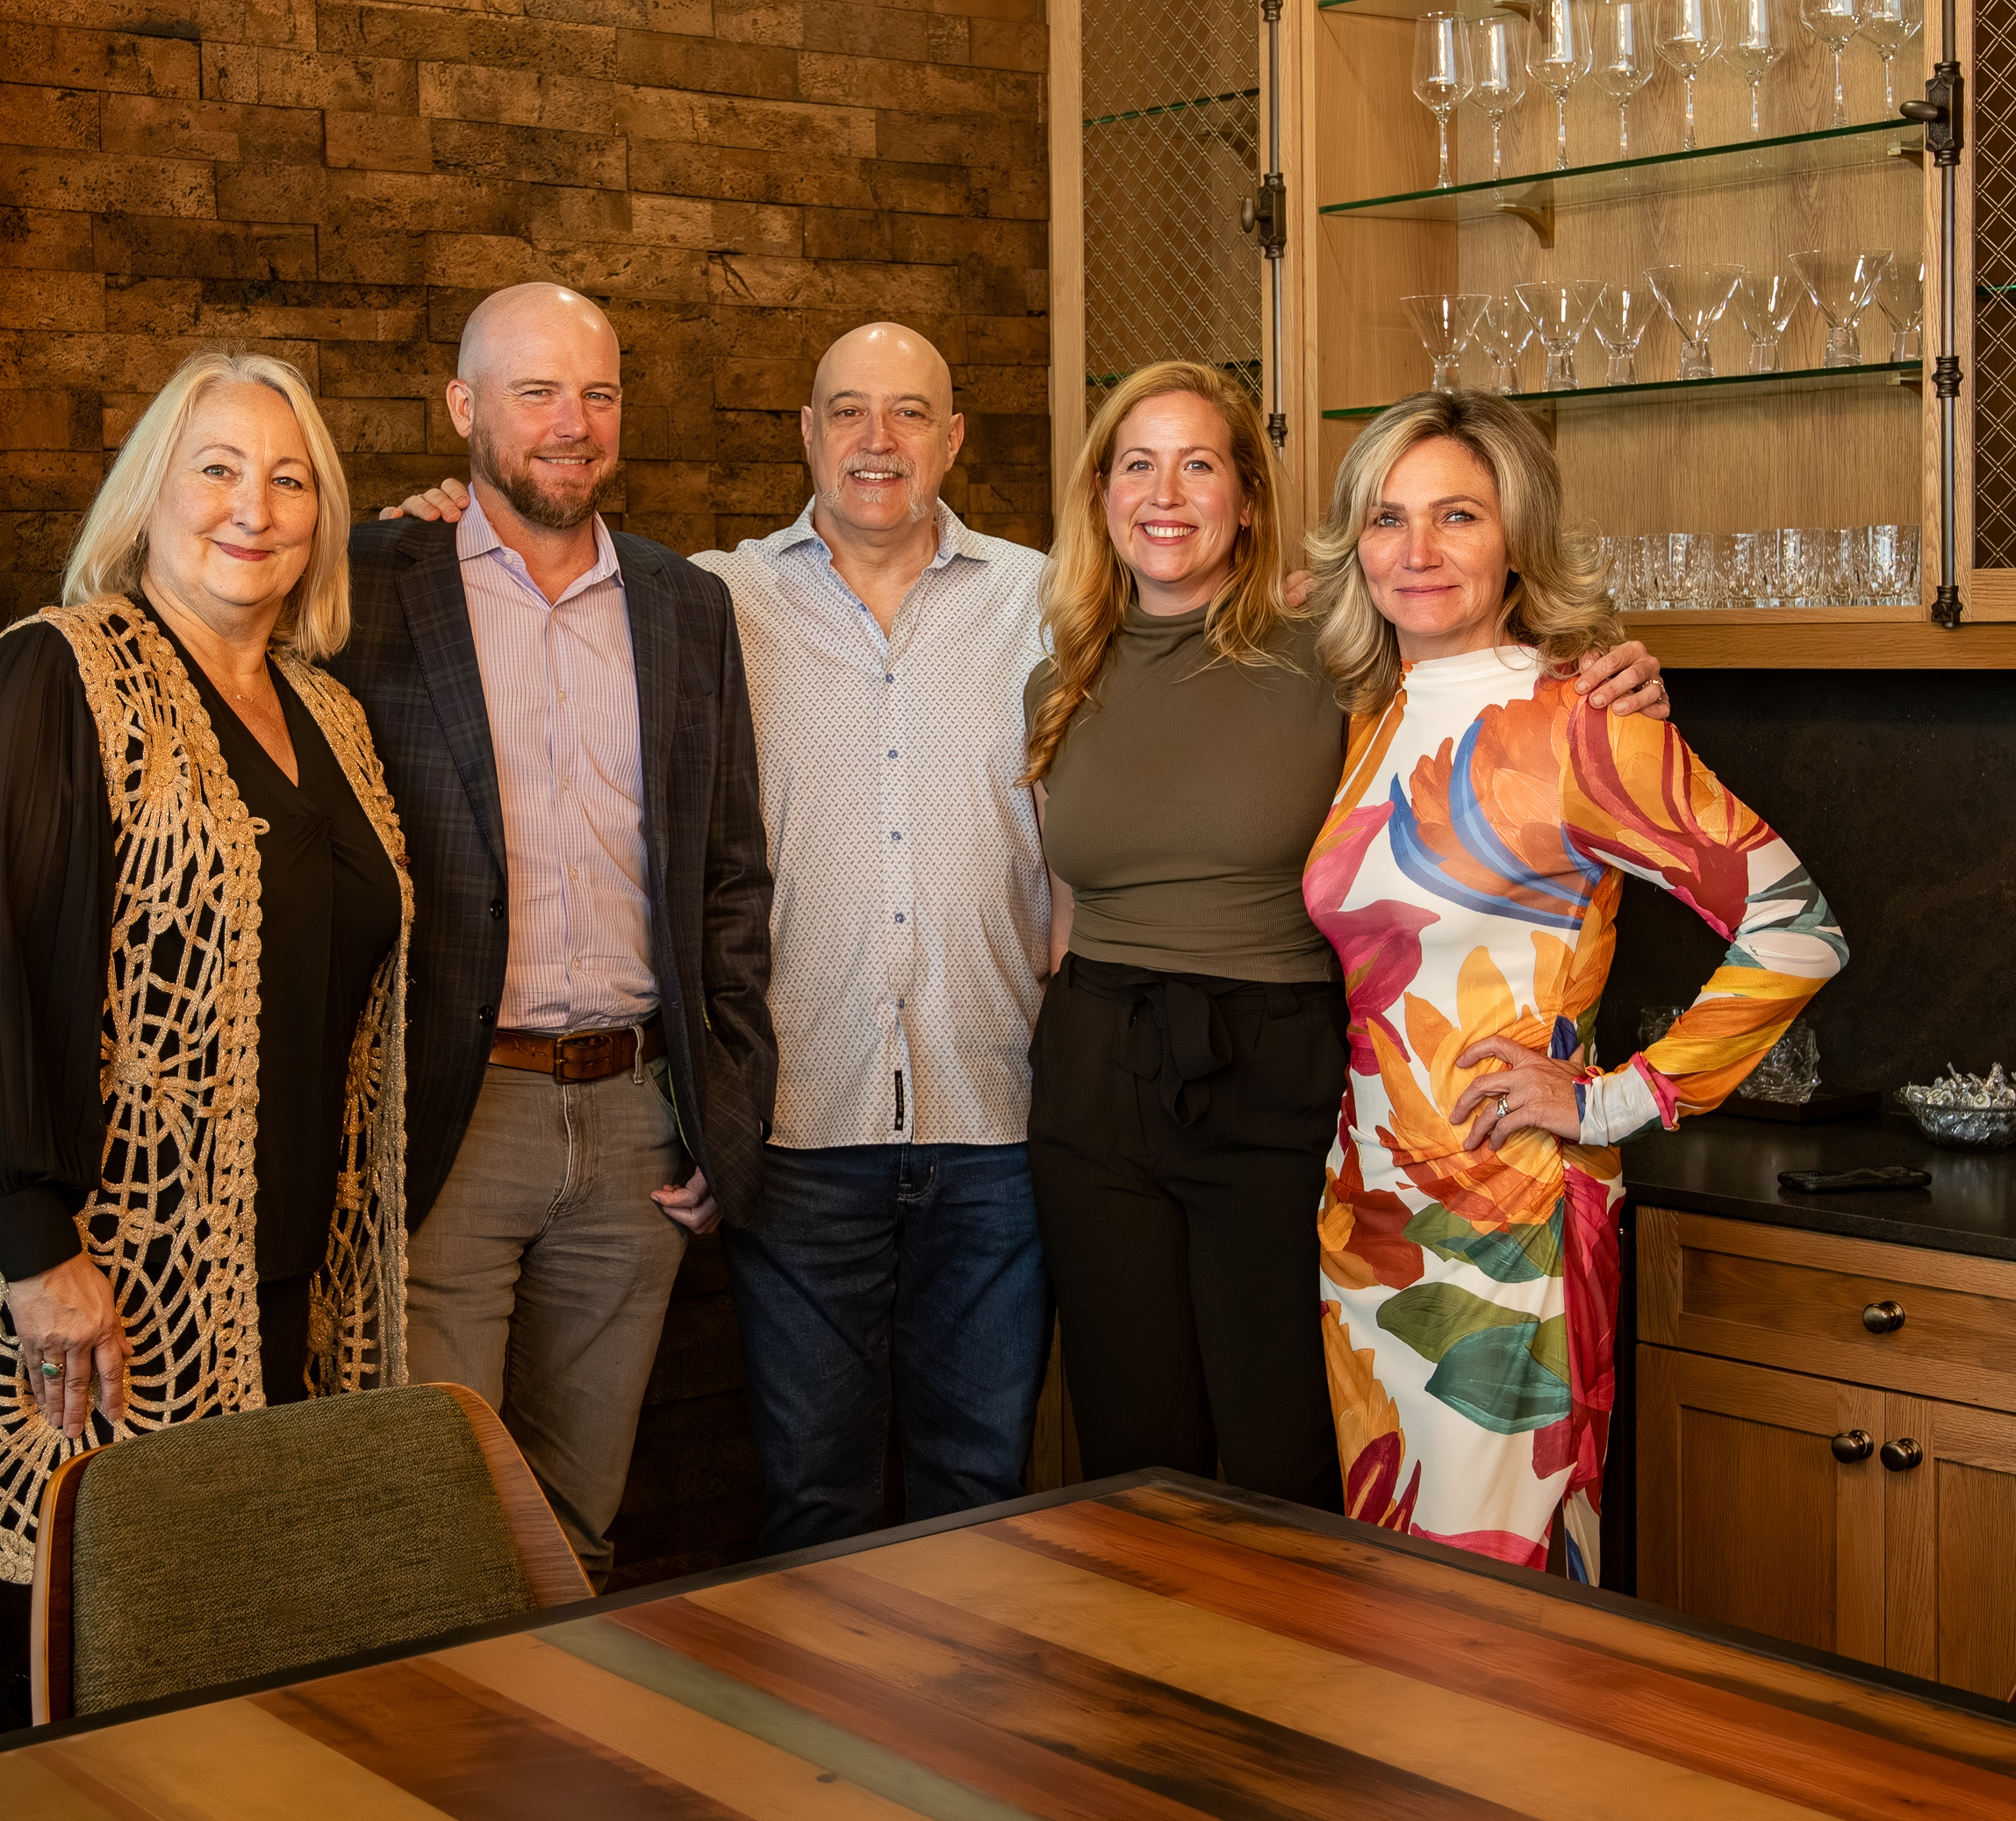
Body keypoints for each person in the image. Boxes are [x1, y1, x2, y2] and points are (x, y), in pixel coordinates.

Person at [384, 324, 1055, 1554]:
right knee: (811, 1500)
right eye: (847, 410)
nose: (877, 440)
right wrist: (446, 513)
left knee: (984, 1493)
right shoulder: (712, 597)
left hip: (996, 1119)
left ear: (955, 437)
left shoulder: (1047, 600)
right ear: (805, 432)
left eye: (910, 412)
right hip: (797, 1129)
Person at [1023, 360, 1672, 1516]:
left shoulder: (1329, 656)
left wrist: (1608, 668)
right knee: (1131, 1460)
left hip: (1275, 1070)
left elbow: (1475, 652)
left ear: (1247, 500)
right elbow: (1067, 903)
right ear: (1101, 494)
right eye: (1137, 465)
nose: (1163, 494)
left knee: (1287, 1451)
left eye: (1198, 464)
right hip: (1092, 1071)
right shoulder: (1060, 677)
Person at [0, 348, 411, 1584]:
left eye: (290, 481)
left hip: (292, 1271)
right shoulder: (54, 674)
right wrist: (35, 1251)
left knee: (273, 1630)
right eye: (217, 469)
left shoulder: (330, 715)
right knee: (124, 1637)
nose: (253, 509)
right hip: (111, 1283)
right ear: (148, 496)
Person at [1302, 390, 1845, 1580]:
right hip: (1369, 1227)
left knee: (1492, 1618)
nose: (1417, 548)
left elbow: (1797, 928)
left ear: (1519, 537)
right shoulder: (1371, 712)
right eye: (1388, 518)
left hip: (1512, 1229)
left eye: (1458, 515)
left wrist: (1612, 1100)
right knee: (1392, 1610)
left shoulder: (1586, 722)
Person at [332, 283, 777, 1589]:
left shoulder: (684, 604)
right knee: (436, 1519)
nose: (572, 423)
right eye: (536, 392)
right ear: (463, 408)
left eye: (597, 393)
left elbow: (730, 875)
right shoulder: (366, 581)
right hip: (454, 1115)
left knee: (577, 1519)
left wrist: (726, 1107)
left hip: (638, 1126)